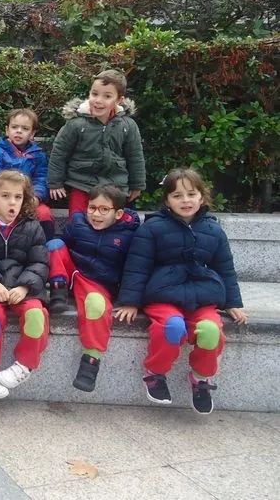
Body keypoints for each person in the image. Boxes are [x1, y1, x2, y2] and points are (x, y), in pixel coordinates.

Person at [116, 168, 248, 414]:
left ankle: (201, 378)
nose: (185, 200)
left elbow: (225, 268)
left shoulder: (214, 230)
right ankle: (155, 373)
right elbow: (137, 266)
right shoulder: (152, 228)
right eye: (177, 195)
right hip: (163, 294)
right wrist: (130, 301)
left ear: (202, 197)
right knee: (172, 327)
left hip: (202, 296)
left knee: (211, 331)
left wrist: (233, 303)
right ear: (167, 201)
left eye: (191, 194)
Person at [45, 184, 140, 392]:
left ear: (118, 213)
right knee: (54, 245)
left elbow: (134, 268)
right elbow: (63, 246)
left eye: (104, 209)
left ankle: (91, 360)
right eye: (92, 208)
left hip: (97, 283)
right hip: (71, 275)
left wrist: (130, 299)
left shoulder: (129, 235)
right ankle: (58, 292)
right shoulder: (78, 223)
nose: (96, 214)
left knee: (97, 307)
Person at [0, 170, 50, 397]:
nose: (12, 202)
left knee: (36, 314)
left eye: (18, 197)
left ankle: (24, 365)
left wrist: (25, 287)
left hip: (23, 286)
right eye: (5, 196)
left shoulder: (32, 226)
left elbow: (40, 262)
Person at [48, 69, 145, 215]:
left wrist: (136, 184)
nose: (98, 100)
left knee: (111, 220)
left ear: (119, 100)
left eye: (107, 96)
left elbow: (135, 156)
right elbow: (59, 153)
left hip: (115, 185)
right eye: (94, 94)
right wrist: (55, 183)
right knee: (78, 220)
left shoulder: (127, 125)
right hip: (81, 184)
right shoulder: (77, 124)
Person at [0, 109, 55, 240]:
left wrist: (36, 197)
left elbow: (41, 179)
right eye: (14, 127)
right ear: (7, 130)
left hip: (29, 199)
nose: (19, 131)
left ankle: (45, 247)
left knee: (44, 213)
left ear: (32, 134)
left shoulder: (38, 155)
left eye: (25, 128)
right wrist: (6, 198)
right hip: (3, 198)